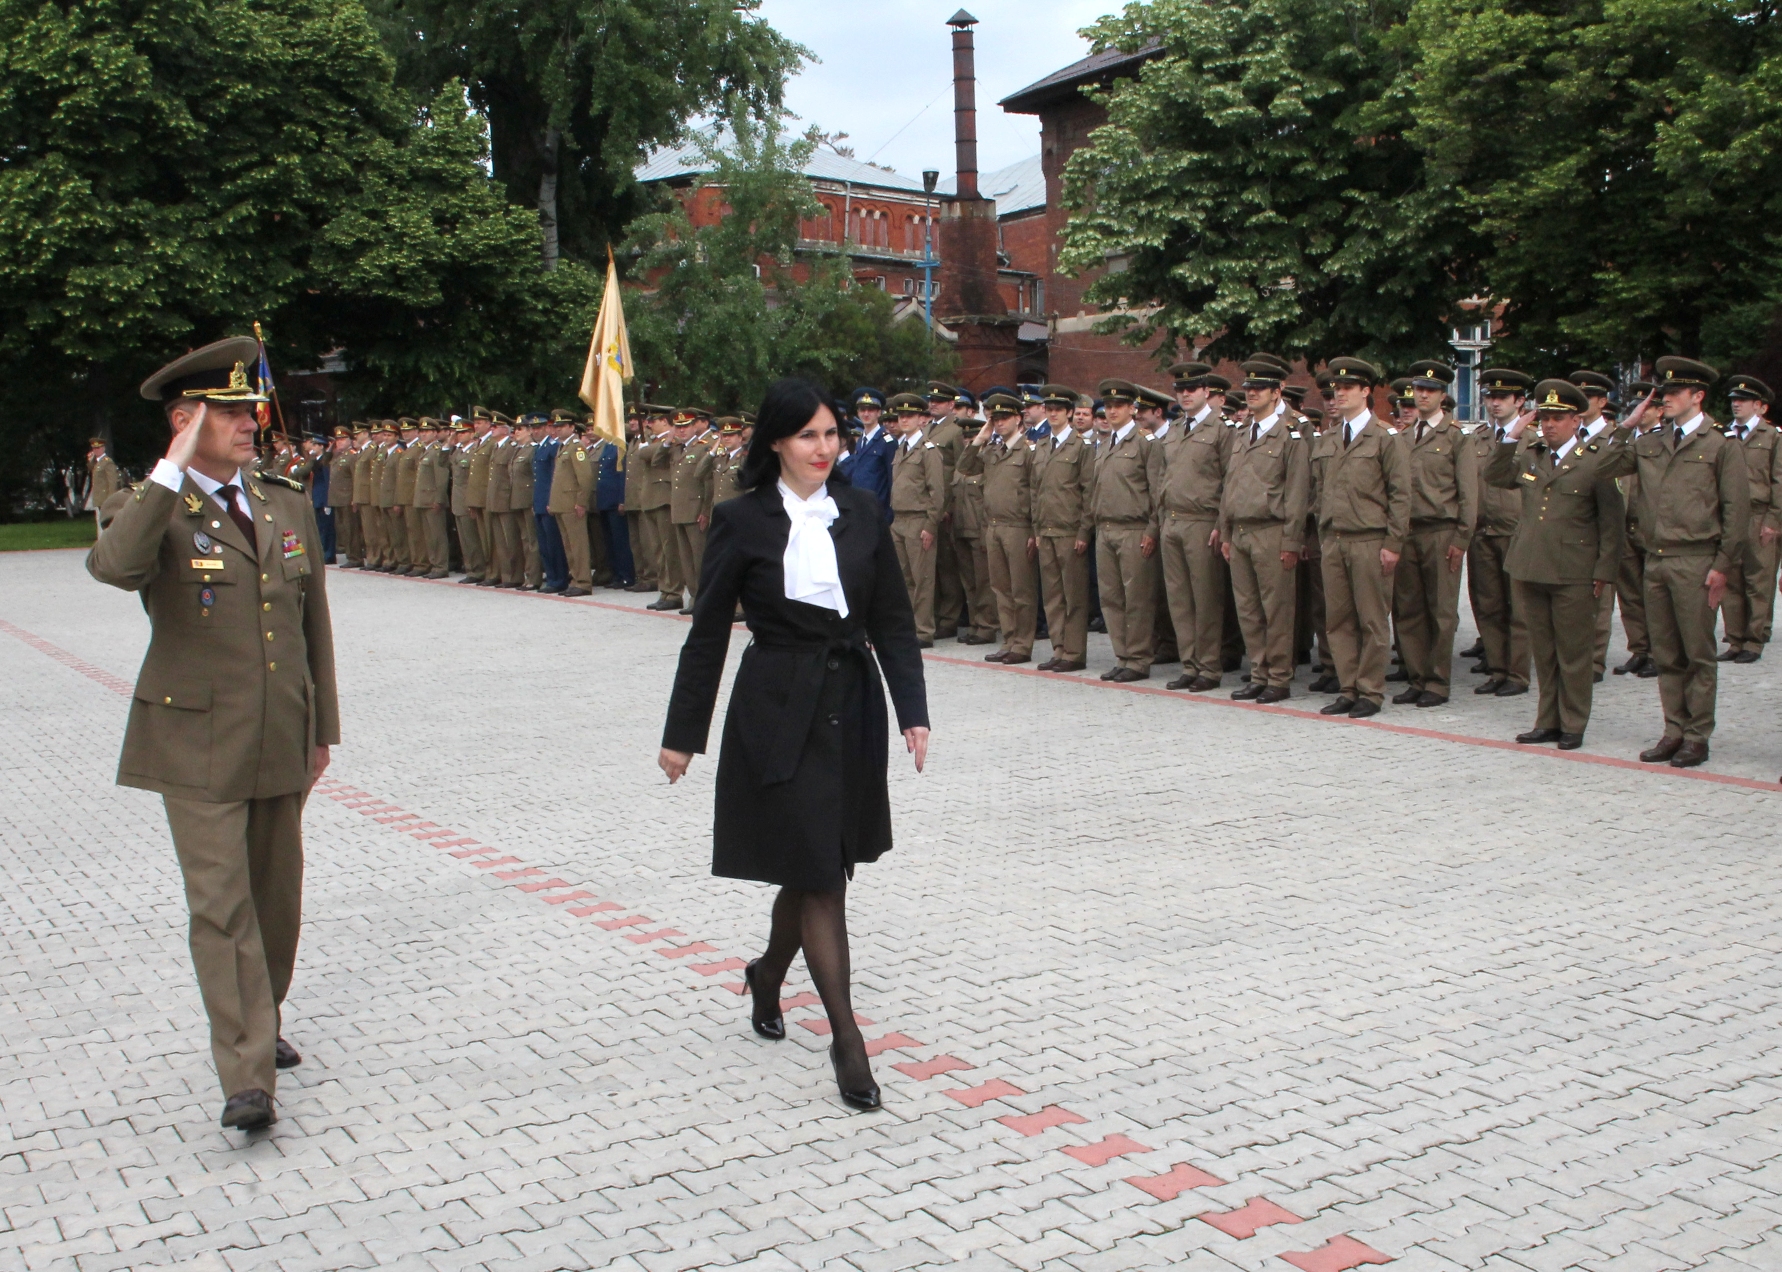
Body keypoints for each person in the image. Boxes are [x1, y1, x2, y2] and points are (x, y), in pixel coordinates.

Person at [87, 337, 339, 1130]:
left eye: (249, 409)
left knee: (275, 902)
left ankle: (261, 1018)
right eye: (229, 412)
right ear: (186, 420)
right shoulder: (154, 505)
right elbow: (114, 566)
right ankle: (244, 1071)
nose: (250, 423)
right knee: (221, 906)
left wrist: (322, 727)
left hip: (280, 734)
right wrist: (168, 467)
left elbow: (312, 622)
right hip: (193, 742)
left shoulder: (281, 500)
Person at [658, 377, 929, 1112]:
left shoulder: (863, 510)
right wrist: (684, 735)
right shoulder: (740, 519)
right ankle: (848, 1040)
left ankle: (768, 972)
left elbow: (895, 620)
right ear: (775, 440)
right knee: (819, 873)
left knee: (818, 863)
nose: (823, 448)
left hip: (852, 701)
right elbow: (708, 630)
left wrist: (914, 711)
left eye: (832, 434)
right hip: (777, 705)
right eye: (807, 435)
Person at [1485, 380, 1626, 750]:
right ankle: (1547, 719)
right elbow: (1495, 477)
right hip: (1531, 565)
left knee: (1573, 653)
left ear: (1576, 420)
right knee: (1544, 651)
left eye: (1558, 418)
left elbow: (1612, 522)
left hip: (1573, 571)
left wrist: (1604, 572)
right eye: (1545, 417)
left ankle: (1573, 722)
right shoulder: (1532, 454)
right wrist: (1511, 437)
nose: (1549, 425)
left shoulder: (1597, 459)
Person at [1624, 357, 1749, 768]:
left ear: (1698, 396)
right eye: (1663, 394)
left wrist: (1723, 565)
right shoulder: (1652, 441)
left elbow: (1736, 510)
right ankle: (1673, 729)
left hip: (1697, 560)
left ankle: (1697, 736)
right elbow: (1603, 463)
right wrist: (1628, 425)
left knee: (1697, 652)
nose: (1666, 400)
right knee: (1666, 653)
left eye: (1675, 393)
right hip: (1656, 560)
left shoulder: (1720, 445)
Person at [1312, 357, 1412, 718]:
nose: (1339, 394)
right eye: (1336, 389)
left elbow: (1401, 494)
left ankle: (1370, 690)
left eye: (1347, 388)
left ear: (1366, 392)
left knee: (1371, 619)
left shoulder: (1385, 437)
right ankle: (1348, 686)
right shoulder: (1329, 439)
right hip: (1335, 539)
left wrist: (1393, 543)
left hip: (1370, 539)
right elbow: (1320, 490)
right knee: (1338, 620)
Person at [1217, 359, 1309, 702]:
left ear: (1277, 392)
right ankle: (1258, 672)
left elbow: (1298, 491)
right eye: (1248, 389)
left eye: (1259, 389)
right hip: (1241, 531)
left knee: (1277, 610)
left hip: (1272, 530)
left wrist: (1292, 540)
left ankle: (1279, 677)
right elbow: (1230, 486)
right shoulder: (1242, 433)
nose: (1252, 394)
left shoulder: (1291, 433)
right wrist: (1226, 533)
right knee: (1249, 609)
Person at [1390, 360, 1478, 708]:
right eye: (1418, 390)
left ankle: (1438, 682)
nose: (1422, 396)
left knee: (1440, 611)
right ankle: (1416, 676)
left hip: (1441, 531)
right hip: (1407, 532)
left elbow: (1469, 493)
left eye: (1430, 391)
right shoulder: (1403, 437)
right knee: (1408, 609)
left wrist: (1462, 538)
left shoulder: (1456, 437)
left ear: (1443, 396)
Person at [1156, 364, 1231, 692]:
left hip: (1203, 522)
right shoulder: (1174, 429)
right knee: (1180, 599)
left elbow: (1230, 479)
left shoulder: (1222, 428)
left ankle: (1209, 667)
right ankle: (1190, 664)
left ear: (1206, 392)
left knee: (1205, 599)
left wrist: (1221, 524)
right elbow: (1164, 474)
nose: (1185, 394)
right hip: (1172, 521)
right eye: (1180, 389)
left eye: (1192, 388)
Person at [1090, 379, 1166, 682]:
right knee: (1111, 598)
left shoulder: (1146, 443)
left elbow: (1156, 488)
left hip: (1134, 528)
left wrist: (1152, 528)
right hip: (1106, 528)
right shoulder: (1105, 442)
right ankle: (1122, 655)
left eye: (1118, 406)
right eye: (1107, 407)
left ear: (1132, 409)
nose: (1111, 412)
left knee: (1137, 598)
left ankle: (1138, 659)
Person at [958, 391, 1038, 664]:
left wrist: (1033, 530)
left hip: (1018, 526)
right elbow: (965, 467)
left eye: (1004, 418)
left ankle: (1023, 644)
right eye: (995, 419)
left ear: (1018, 418)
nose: (999, 423)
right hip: (993, 526)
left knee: (1021, 589)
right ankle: (1009, 640)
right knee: (1001, 589)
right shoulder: (991, 449)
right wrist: (981, 437)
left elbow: (1036, 491)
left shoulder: (1028, 450)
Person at [1467, 370, 1533, 697]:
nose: (1494, 403)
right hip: (1483, 532)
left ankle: (1518, 674)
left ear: (1519, 401)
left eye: (1502, 398)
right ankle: (1497, 668)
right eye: (1490, 397)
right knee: (1488, 605)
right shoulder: (1478, 437)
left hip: (1517, 533)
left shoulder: (1533, 439)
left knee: (1519, 608)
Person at [1031, 385, 1095, 672]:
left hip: (1070, 531)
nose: (1053, 413)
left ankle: (1074, 652)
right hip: (1046, 530)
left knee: (1074, 595)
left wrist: (1084, 531)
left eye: (1059, 409)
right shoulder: (1042, 445)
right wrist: (1036, 528)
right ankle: (1058, 648)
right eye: (1049, 409)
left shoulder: (1081, 447)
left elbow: (1088, 491)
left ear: (1070, 413)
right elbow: (1035, 490)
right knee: (1053, 595)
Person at [1718, 374, 1778, 663]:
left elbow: (1779, 482)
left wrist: (1774, 521)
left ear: (1760, 406)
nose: (1736, 405)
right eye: (1733, 400)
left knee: (1758, 581)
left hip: (1758, 515)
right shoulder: (1724, 435)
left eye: (1743, 401)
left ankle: (1754, 640)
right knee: (1730, 580)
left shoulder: (1772, 437)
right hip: (1730, 515)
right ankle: (1735, 639)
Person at [886, 393, 947, 647]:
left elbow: (937, 491)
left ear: (922, 419)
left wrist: (930, 524)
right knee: (904, 578)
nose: (904, 420)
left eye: (910, 415)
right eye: (901, 416)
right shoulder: (901, 448)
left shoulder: (928, 449)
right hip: (899, 519)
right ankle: (909, 626)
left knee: (922, 579)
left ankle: (923, 630)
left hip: (918, 519)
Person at [326, 427, 358, 567]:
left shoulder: (352, 455)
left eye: (343, 439)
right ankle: (349, 554)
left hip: (347, 498)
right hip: (337, 498)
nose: (339, 442)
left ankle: (355, 557)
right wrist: (329, 449)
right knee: (343, 530)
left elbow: (355, 478)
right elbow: (323, 462)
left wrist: (354, 498)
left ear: (350, 440)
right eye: (337, 440)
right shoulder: (338, 456)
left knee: (351, 529)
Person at [85, 438, 122, 529]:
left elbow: (112, 482)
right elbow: (92, 470)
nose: (96, 450)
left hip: (105, 497)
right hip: (99, 498)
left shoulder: (107, 462)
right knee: (101, 522)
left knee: (107, 522)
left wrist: (111, 499)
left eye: (98, 448)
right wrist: (90, 460)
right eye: (94, 448)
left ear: (103, 448)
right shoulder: (98, 462)